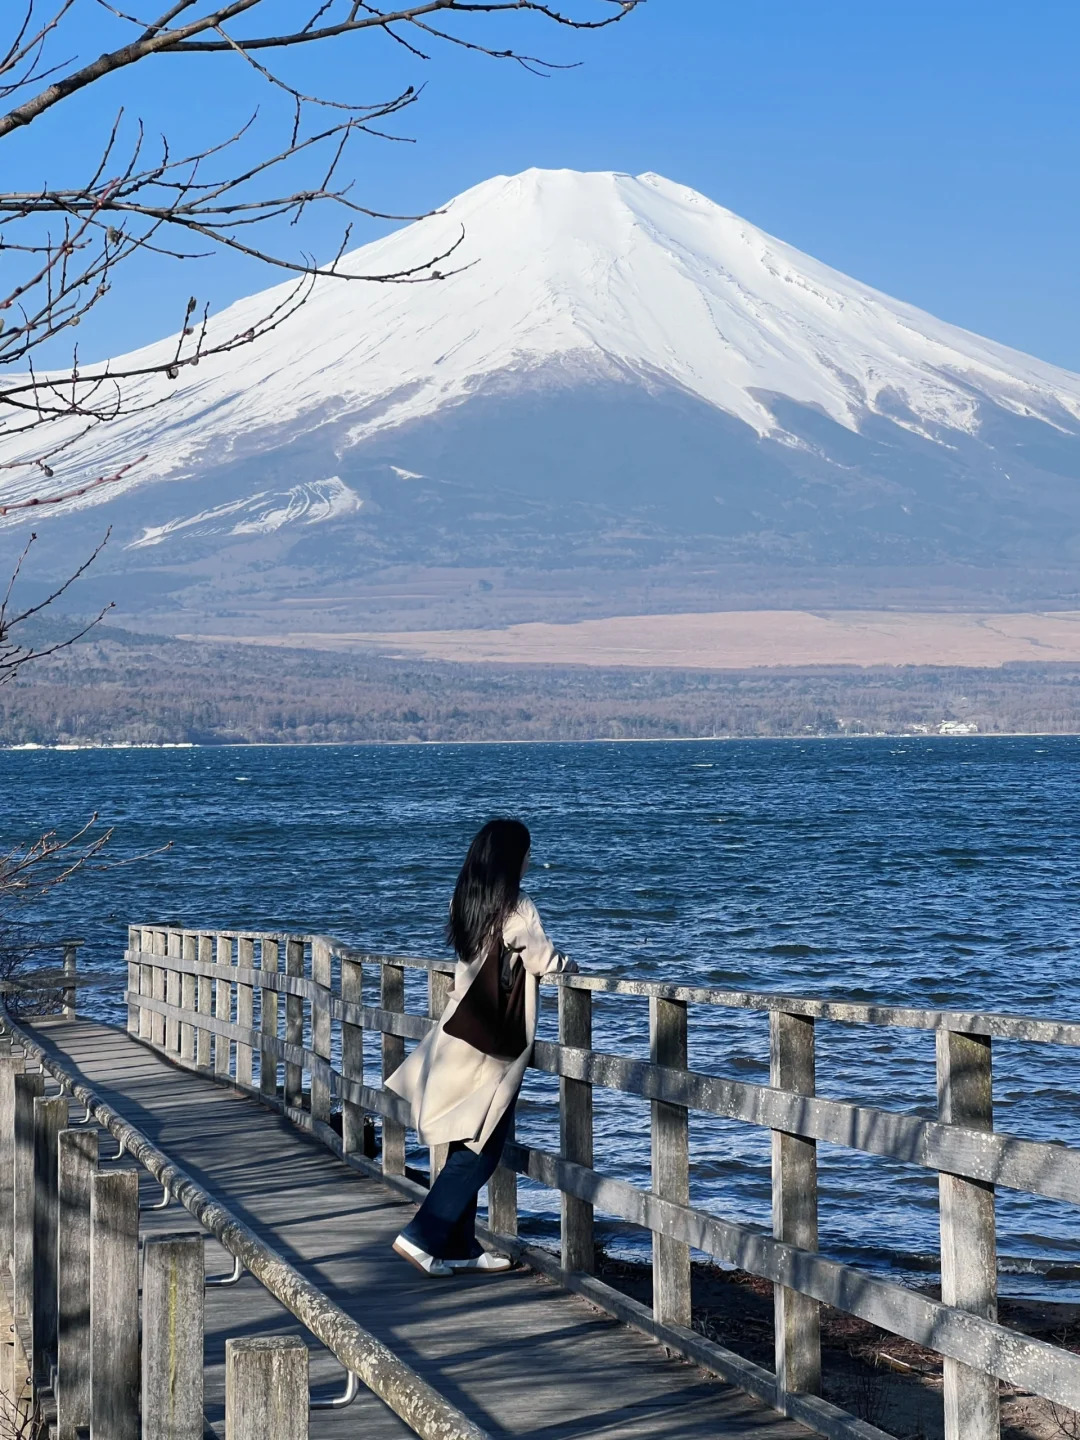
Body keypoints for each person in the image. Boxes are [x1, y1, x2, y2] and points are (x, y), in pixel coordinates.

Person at [386, 817, 577, 1277]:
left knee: (464, 1136)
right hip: (494, 1042)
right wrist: (571, 964)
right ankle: (421, 1236)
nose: (530, 860)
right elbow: (545, 961)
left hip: (458, 1031)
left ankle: (460, 1245)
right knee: (484, 1145)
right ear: (514, 858)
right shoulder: (516, 908)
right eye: (527, 852)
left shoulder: (465, 901)